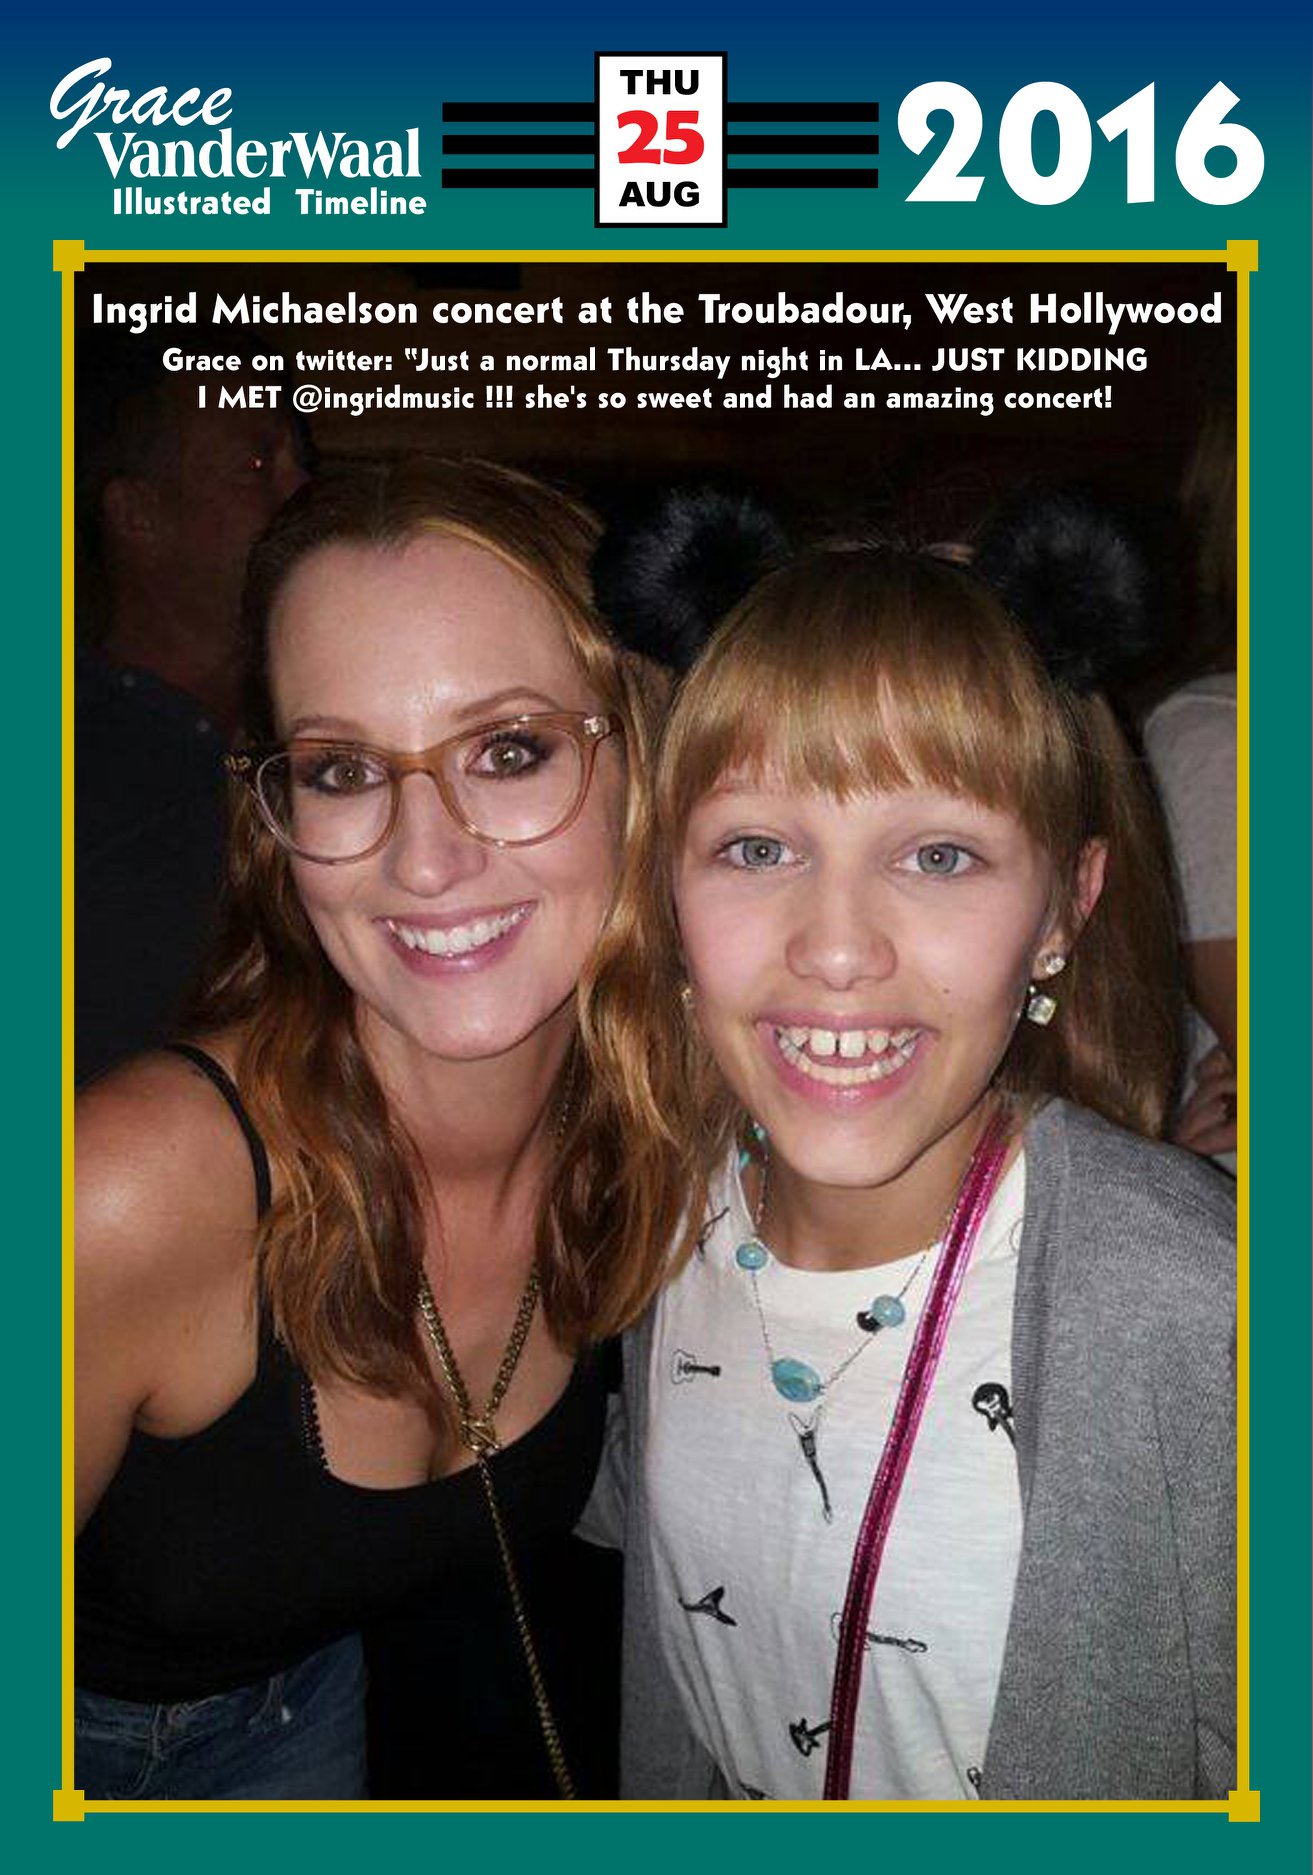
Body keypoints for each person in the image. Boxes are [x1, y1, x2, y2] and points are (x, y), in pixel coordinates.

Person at [577, 516, 1235, 1800]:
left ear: (1062, 909)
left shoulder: (1194, 1308)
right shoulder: (662, 1219)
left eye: (939, 856)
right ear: (665, 885)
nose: (835, 948)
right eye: (756, 848)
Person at [75, 457, 658, 1800]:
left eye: (507, 749)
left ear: (646, 755)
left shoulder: (653, 1129)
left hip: (319, 1706)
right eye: (342, 769)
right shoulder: (133, 1186)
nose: (423, 856)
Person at [76, 347, 309, 1080]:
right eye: (256, 465)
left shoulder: (328, 733)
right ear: (138, 514)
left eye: (299, 462)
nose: (302, 491)